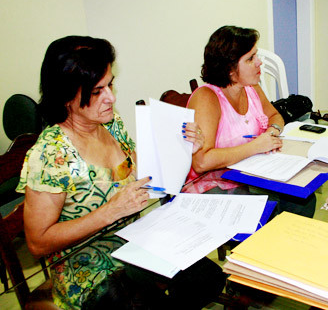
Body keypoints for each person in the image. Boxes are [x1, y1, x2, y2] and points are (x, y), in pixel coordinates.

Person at [17, 36, 225, 309]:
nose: (111, 98)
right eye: (97, 91)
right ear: (67, 95)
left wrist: (183, 150)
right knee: (140, 302)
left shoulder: (111, 124)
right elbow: (37, 242)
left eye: (110, 84)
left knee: (208, 278)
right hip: (87, 268)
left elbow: (146, 178)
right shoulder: (50, 155)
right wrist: (110, 212)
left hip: (135, 241)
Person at [185, 25, 315, 217]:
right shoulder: (207, 98)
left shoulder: (251, 87)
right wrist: (255, 146)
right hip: (212, 185)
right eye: (250, 58)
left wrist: (271, 133)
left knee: (303, 200)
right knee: (270, 209)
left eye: (256, 55)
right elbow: (201, 162)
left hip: (250, 175)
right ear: (229, 68)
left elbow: (275, 116)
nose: (259, 62)